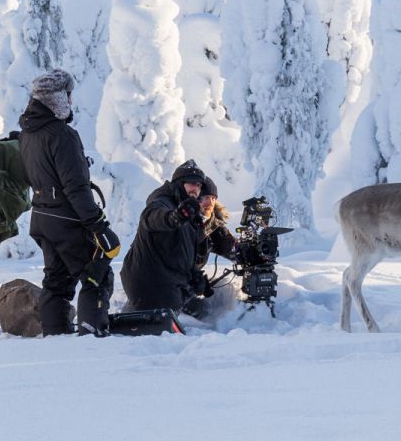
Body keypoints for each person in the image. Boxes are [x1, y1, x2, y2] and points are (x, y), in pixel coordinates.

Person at [17, 69, 118, 336]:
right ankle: (91, 334)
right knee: (97, 276)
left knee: (57, 281)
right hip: (67, 220)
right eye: (69, 95)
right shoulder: (61, 134)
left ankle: (56, 336)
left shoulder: (28, 133)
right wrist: (97, 225)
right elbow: (75, 187)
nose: (72, 101)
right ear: (58, 98)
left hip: (42, 217)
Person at [120, 160, 238, 318]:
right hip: (152, 282)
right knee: (188, 318)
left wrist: (195, 279)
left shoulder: (201, 221)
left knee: (206, 313)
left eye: (199, 185)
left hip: (171, 282)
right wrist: (174, 217)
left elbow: (228, 248)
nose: (208, 202)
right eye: (191, 184)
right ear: (180, 184)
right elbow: (153, 217)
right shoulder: (167, 204)